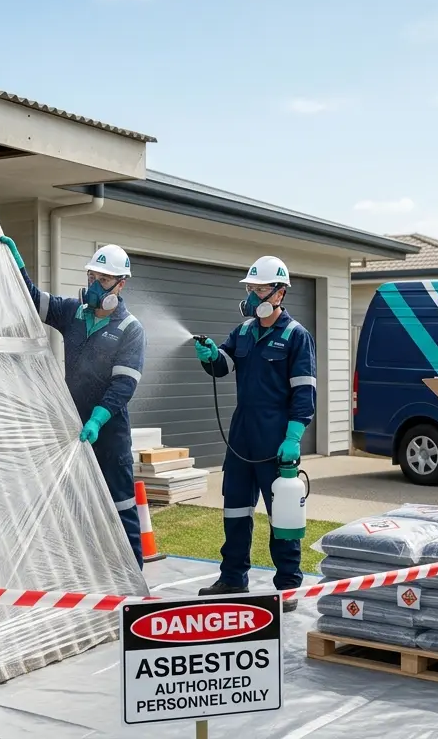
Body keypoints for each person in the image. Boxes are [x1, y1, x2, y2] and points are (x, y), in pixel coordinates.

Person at [0, 236, 147, 568]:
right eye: (92, 277)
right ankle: (87, 576)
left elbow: (124, 385)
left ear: (120, 285)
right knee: (78, 509)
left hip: (108, 434)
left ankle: (133, 581)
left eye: (103, 280)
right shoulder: (73, 313)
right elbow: (33, 300)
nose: (94, 285)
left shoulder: (129, 329)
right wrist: (17, 265)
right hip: (71, 429)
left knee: (121, 507)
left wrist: (96, 419)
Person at [192, 256, 317, 612]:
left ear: (280, 293)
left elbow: (304, 391)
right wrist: (210, 354)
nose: (252, 295)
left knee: (283, 516)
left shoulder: (295, 336)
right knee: (234, 509)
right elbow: (223, 365)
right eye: (250, 288)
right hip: (241, 436)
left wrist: (294, 437)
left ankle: (288, 586)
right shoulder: (244, 331)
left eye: (259, 289)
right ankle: (232, 578)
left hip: (276, 438)